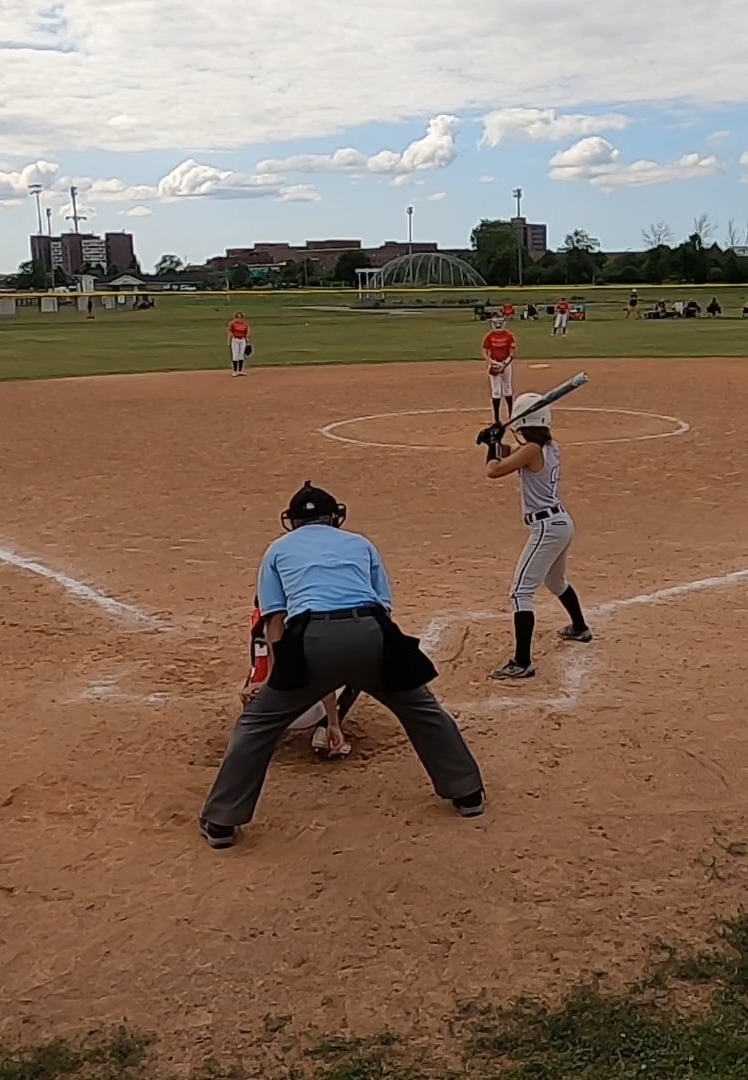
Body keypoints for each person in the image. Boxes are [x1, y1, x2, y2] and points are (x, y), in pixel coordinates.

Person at [199, 482, 486, 849]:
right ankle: (467, 793)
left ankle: (222, 823)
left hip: (311, 640)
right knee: (422, 709)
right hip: (372, 634)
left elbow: (275, 622)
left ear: (293, 521)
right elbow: (383, 608)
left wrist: (279, 677)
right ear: (333, 517)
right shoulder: (361, 543)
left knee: (257, 725)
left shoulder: (278, 549)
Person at [478, 392, 591, 680]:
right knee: (555, 581)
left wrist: (494, 446)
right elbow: (512, 455)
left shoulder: (531, 450)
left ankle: (522, 662)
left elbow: (494, 470)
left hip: (547, 528)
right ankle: (580, 628)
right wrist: (493, 443)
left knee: (521, 592)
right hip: (560, 523)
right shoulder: (548, 446)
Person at [245, 598, 358, 758]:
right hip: (305, 709)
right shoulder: (306, 625)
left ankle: (265, 733)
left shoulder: (259, 630)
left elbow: (257, 671)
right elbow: (324, 680)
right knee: (355, 666)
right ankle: (324, 731)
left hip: (268, 708)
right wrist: (333, 723)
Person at [481, 316, 517, 425]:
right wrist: (491, 362)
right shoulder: (489, 336)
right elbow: (485, 350)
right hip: (495, 363)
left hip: (506, 363)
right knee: (496, 391)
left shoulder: (509, 336)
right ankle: (496, 419)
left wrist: (505, 364)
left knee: (507, 388)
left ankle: (511, 415)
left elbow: (512, 353)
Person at [227, 311, 251, 376]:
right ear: (235, 317)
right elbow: (229, 331)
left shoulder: (245, 324)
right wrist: (229, 341)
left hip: (243, 340)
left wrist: (247, 340)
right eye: (237, 317)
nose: (239, 318)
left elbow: (247, 332)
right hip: (235, 340)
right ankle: (235, 371)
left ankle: (240, 371)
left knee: (241, 355)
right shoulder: (232, 323)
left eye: (240, 317)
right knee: (235, 355)